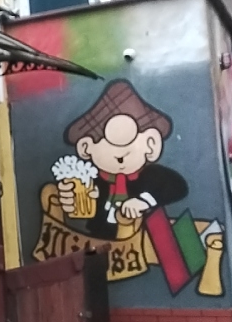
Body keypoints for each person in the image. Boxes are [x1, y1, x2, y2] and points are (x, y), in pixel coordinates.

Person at [57, 79, 188, 240]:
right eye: (110, 143)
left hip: (142, 241)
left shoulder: (152, 176)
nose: (121, 154)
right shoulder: (91, 181)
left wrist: (143, 201)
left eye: (129, 142)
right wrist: (68, 201)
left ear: (151, 144)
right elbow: (86, 209)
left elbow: (178, 187)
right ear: (86, 148)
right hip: (99, 240)